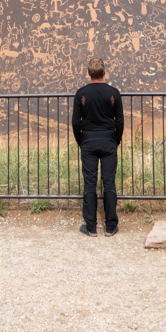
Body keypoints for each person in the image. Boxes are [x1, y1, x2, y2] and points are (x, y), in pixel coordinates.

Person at [71, 57, 124, 236]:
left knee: (90, 183)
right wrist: (115, 139)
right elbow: (120, 121)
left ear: (88, 73)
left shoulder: (81, 94)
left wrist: (82, 140)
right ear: (104, 72)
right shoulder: (114, 93)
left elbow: (76, 123)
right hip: (108, 140)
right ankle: (110, 226)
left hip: (88, 141)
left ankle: (91, 227)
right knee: (109, 182)